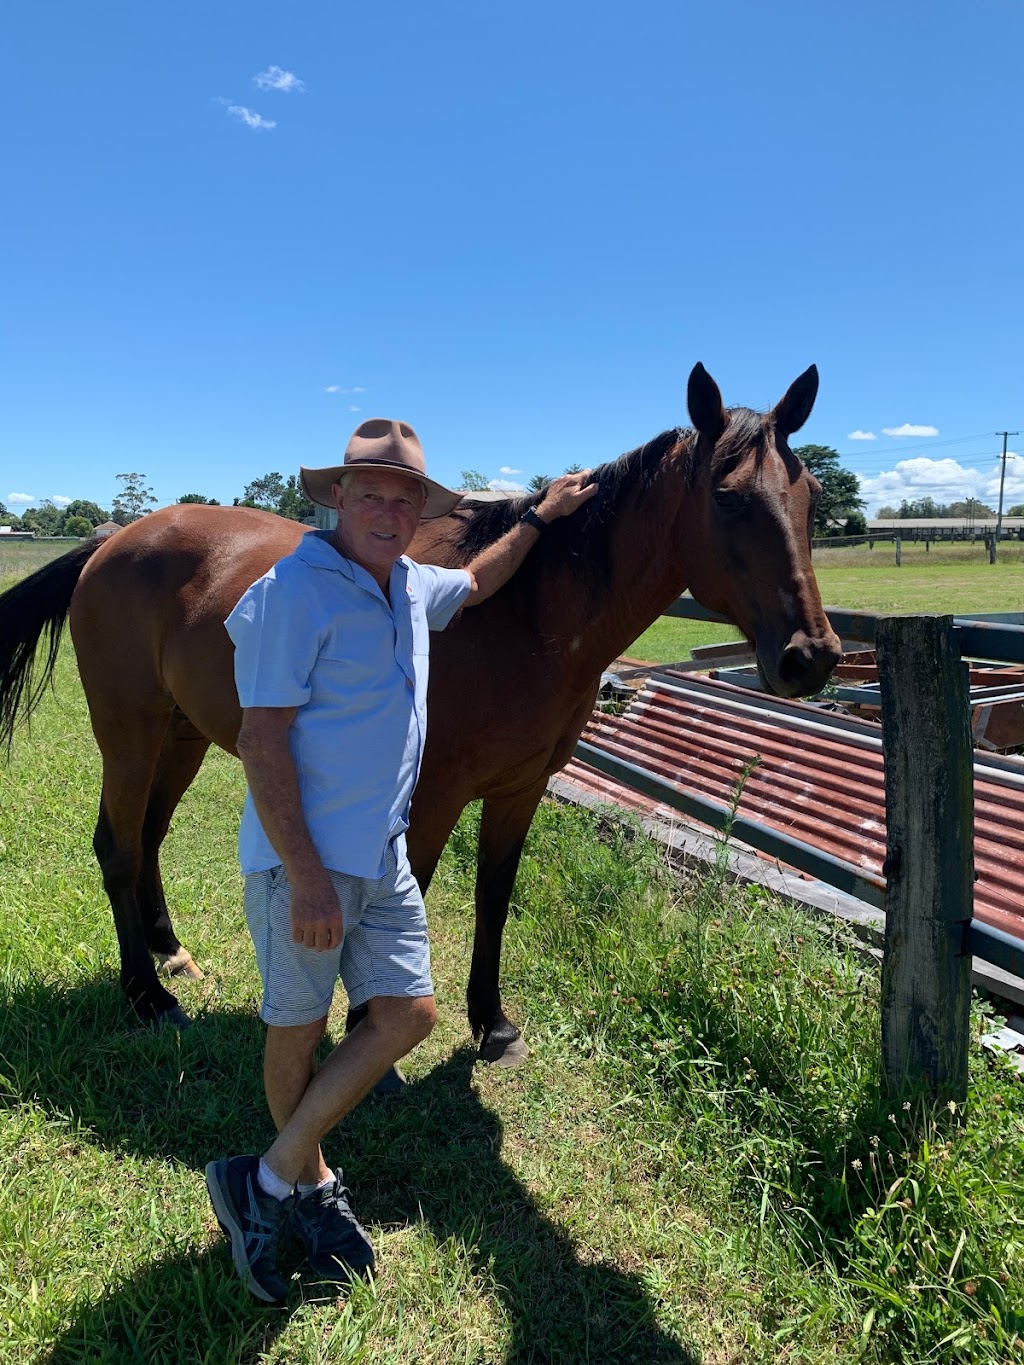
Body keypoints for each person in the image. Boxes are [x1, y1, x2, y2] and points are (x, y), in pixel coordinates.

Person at [205, 417, 596, 1303]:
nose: (387, 508)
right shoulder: (292, 591)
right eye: (371, 492)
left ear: (419, 510)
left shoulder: (409, 585)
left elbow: (477, 578)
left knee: (411, 1013)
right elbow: (258, 738)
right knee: (297, 1030)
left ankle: (263, 1177)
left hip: (381, 855)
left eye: (403, 497)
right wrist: (305, 873)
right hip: (306, 860)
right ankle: (306, 1187)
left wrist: (540, 515)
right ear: (337, 496)